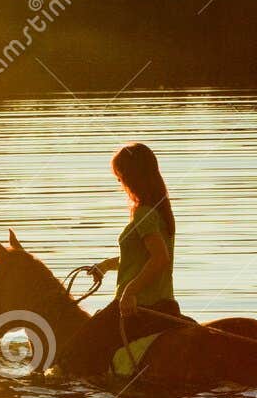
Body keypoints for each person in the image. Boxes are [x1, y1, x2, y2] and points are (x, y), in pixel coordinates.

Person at [61, 143, 186, 374]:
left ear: (132, 177)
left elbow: (160, 259)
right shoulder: (160, 210)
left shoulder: (142, 212)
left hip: (139, 307)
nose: (120, 183)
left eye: (120, 176)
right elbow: (139, 259)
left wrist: (129, 292)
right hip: (165, 303)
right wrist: (106, 266)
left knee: (71, 355)